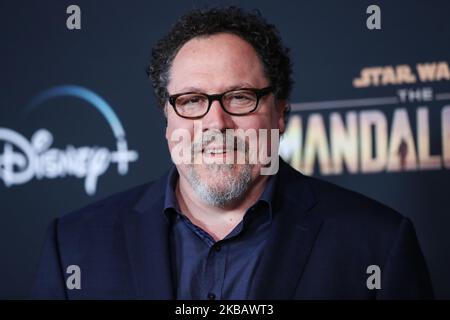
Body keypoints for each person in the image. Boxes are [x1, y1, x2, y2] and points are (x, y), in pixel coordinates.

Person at [31, 6, 433, 299]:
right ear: (168, 120)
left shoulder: (378, 243)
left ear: (280, 115)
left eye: (239, 98)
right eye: (190, 101)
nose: (215, 123)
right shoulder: (74, 245)